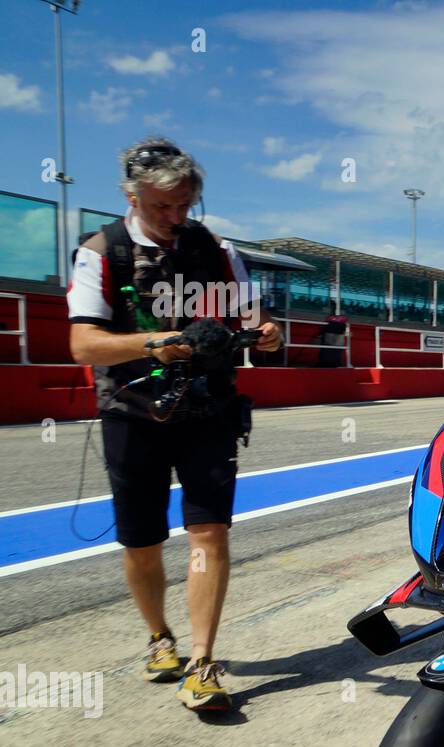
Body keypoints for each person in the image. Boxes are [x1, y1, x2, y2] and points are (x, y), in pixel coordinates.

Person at [66, 137, 283, 712]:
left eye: (184, 205)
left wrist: (265, 332)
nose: (175, 218)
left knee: (208, 533)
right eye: (162, 206)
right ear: (131, 196)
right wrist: (159, 343)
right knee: (142, 542)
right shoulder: (101, 252)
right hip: (131, 414)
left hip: (208, 412)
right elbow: (83, 344)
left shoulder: (215, 249)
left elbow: (253, 316)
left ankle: (203, 661)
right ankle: (160, 638)